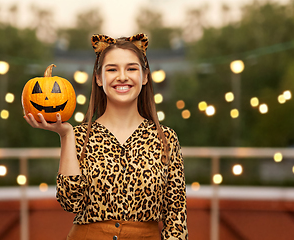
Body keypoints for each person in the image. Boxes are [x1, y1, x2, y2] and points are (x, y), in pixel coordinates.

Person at [24, 33, 188, 240]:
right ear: (99, 78)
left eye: (131, 68)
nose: (122, 77)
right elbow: (70, 202)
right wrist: (66, 136)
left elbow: (177, 219)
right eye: (112, 69)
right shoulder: (79, 136)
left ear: (145, 77)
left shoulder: (166, 138)